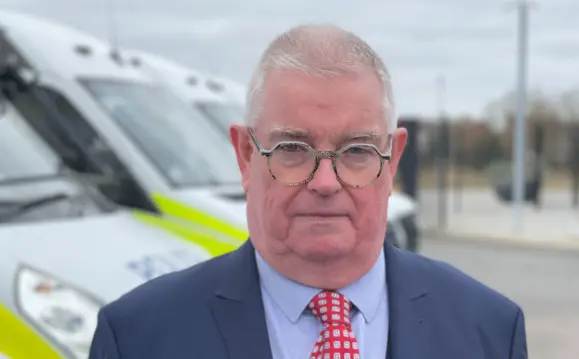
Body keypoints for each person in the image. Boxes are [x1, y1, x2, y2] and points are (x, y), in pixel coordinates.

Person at [88, 24, 528, 359]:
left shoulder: (487, 330)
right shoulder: (137, 338)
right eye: (292, 149)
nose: (324, 183)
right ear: (245, 155)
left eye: (356, 150)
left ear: (392, 160)